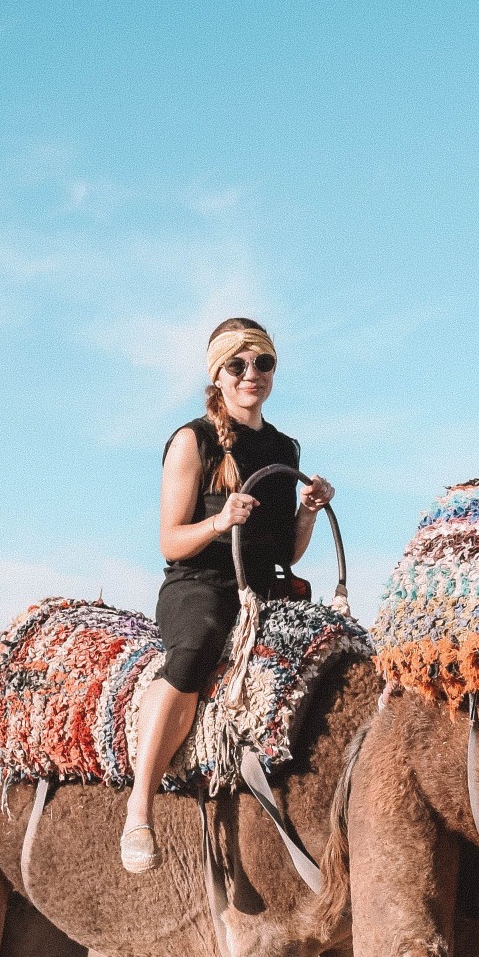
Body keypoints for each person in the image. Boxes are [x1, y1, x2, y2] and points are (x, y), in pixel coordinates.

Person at [123, 317, 333, 874]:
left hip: (265, 586)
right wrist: (221, 523)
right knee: (197, 650)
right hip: (201, 584)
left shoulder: (283, 446)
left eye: (262, 363)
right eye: (237, 365)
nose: (251, 375)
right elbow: (171, 538)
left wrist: (308, 512)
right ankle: (139, 803)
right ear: (217, 373)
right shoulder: (193, 441)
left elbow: (285, 548)